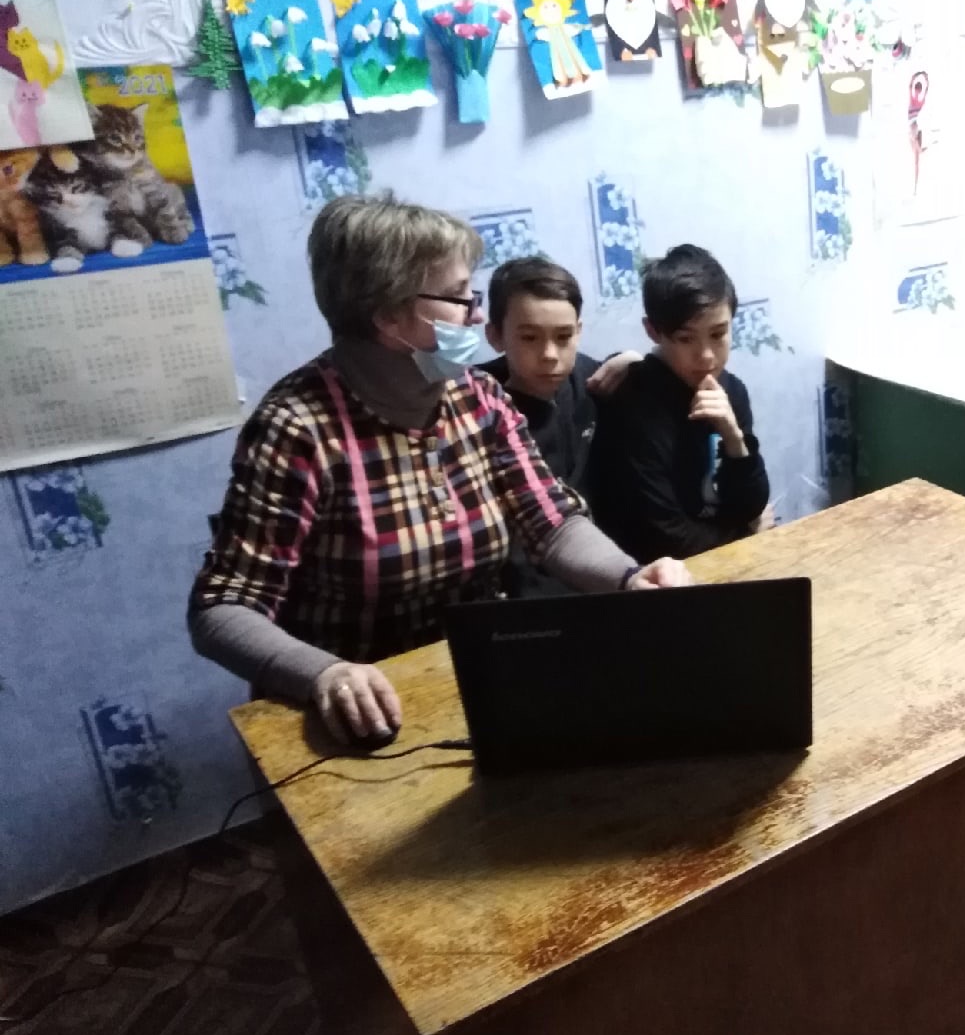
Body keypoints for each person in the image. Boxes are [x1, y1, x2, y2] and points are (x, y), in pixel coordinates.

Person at [189, 193, 691, 747]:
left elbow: (552, 522)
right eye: (458, 297)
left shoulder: (477, 397)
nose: (475, 314)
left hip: (476, 683)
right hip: (358, 717)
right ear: (388, 315)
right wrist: (323, 674)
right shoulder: (298, 429)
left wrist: (629, 578)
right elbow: (223, 608)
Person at [589, 244, 772, 561]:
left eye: (718, 334)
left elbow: (750, 505)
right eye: (686, 339)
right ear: (653, 331)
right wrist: (744, 535)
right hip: (654, 575)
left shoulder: (731, 391)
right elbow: (661, 538)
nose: (706, 356)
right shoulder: (634, 404)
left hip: (721, 556)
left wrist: (734, 438)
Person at [478, 256, 641, 596]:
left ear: (578, 331)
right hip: (524, 594)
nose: (550, 354)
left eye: (564, 336)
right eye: (529, 338)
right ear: (495, 336)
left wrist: (637, 363)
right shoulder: (477, 406)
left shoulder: (592, 382)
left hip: (604, 573)